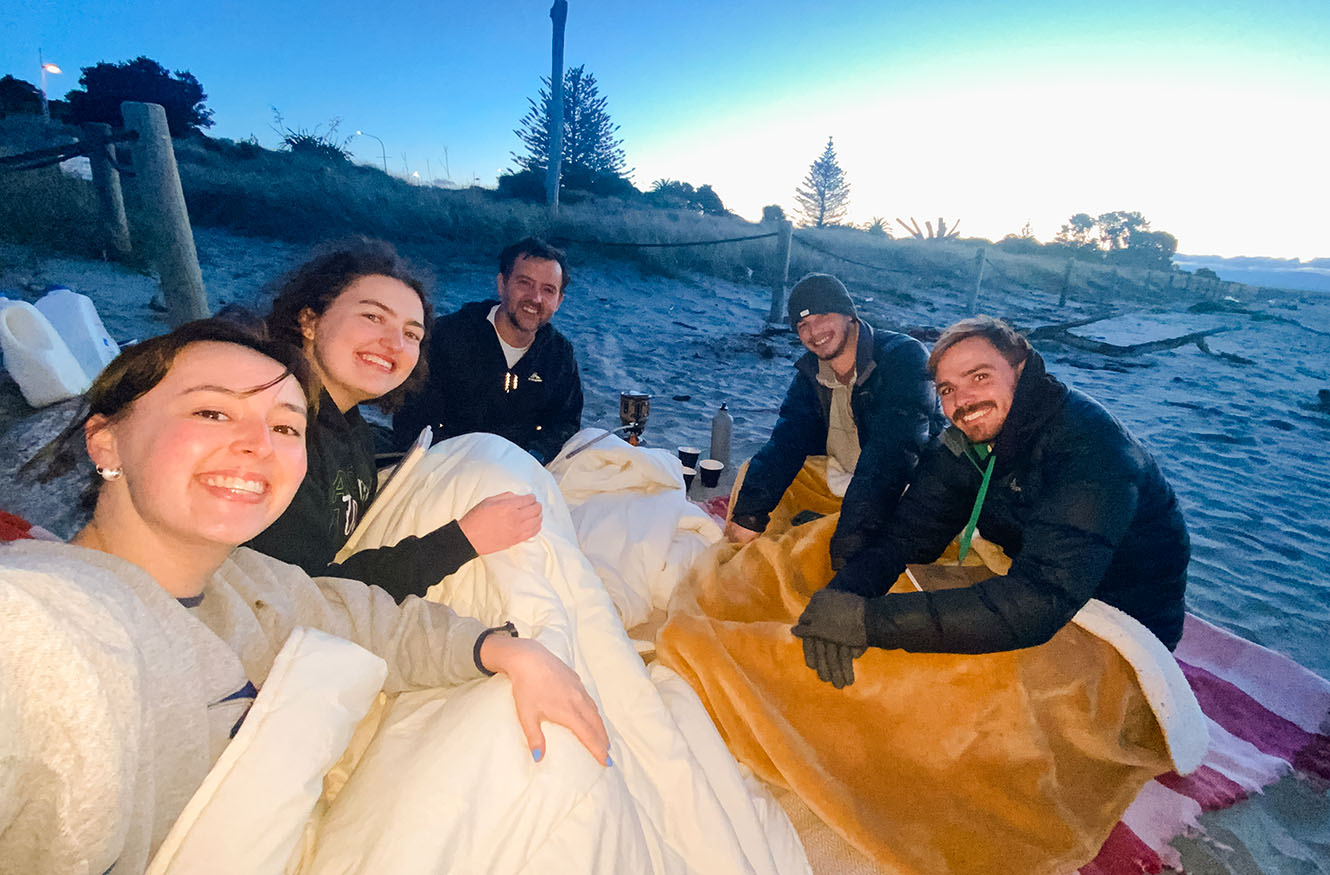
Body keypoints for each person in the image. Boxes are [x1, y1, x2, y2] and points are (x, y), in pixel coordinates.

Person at [0, 319, 609, 873]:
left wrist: (502, 648)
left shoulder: (245, 581)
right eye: (212, 412)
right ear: (104, 440)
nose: (258, 444)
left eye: (286, 426)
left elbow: (362, 618)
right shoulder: (42, 629)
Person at [793, 315, 1190, 687]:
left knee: (945, 688)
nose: (963, 400)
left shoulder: (1091, 451)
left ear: (1020, 370)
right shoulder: (967, 443)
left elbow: (1038, 600)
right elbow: (907, 536)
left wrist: (868, 621)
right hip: (1043, 586)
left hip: (1126, 625)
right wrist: (843, 596)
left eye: (979, 377)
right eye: (947, 390)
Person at [245, 240, 540, 597]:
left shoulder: (351, 429)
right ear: (309, 320)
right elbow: (305, 596)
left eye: (411, 334)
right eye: (373, 317)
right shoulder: (275, 435)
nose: (395, 344)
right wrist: (463, 539)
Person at [725, 273, 939, 568]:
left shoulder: (903, 357)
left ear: (849, 314)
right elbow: (785, 444)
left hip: (903, 489)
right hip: (843, 480)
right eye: (803, 325)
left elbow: (891, 458)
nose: (814, 332)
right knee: (754, 476)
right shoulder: (811, 374)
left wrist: (848, 548)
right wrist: (748, 517)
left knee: (861, 562)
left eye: (822, 315)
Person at [391, 237, 583, 464]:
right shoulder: (446, 337)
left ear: (559, 301)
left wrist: (534, 456)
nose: (535, 298)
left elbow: (565, 424)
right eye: (525, 283)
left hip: (523, 466)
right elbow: (411, 423)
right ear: (502, 284)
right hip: (447, 464)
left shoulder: (558, 354)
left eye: (548, 290)